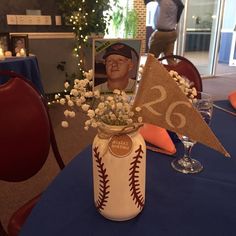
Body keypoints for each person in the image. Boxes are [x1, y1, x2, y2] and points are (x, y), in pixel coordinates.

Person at [148, 0, 184, 65]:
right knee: (169, 57)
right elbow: (181, 7)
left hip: (161, 33)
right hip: (172, 33)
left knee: (152, 58)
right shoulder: (177, 3)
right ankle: (175, 73)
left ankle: (148, 74)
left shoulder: (162, 1)